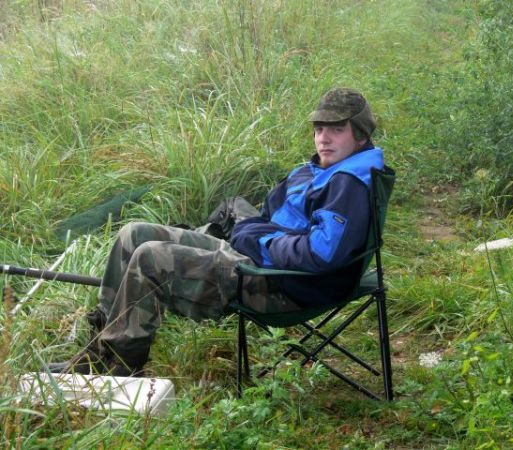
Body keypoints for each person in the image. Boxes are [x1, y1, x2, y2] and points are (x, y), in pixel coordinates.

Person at [49, 88, 385, 376]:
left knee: (151, 258)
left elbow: (321, 253)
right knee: (133, 234)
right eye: (319, 128)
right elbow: (273, 219)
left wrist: (261, 240)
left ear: (360, 135)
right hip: (262, 263)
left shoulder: (348, 183)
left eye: (337, 129)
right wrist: (255, 233)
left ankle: (121, 366)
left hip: (281, 285)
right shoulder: (322, 170)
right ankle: (100, 351)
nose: (323, 137)